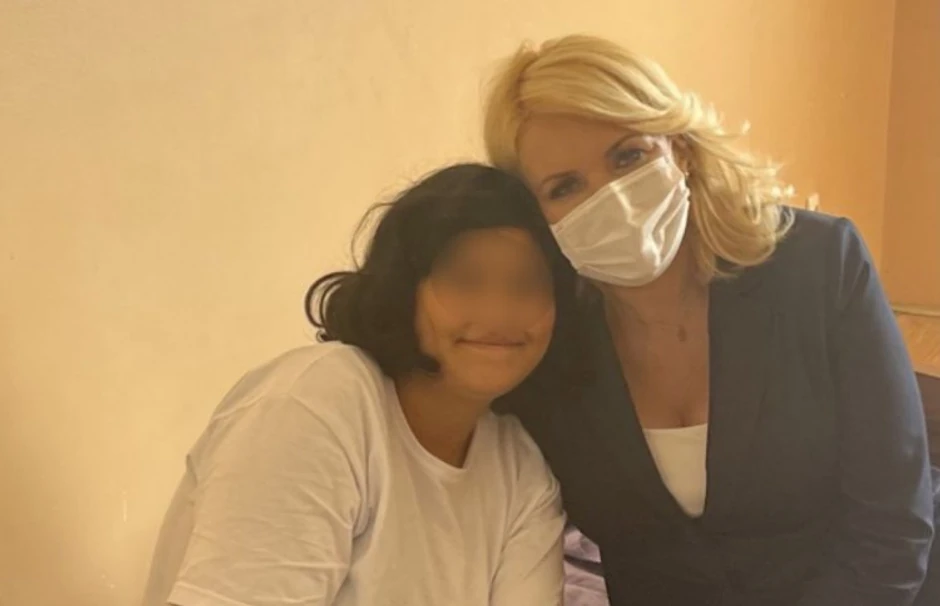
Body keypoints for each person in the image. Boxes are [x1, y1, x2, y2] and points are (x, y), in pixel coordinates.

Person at [482, 34, 940, 606]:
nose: (613, 198)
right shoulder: (547, 340)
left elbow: (892, 529)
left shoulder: (820, 265)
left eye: (628, 156)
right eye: (565, 186)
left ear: (680, 149)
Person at [141, 163, 584, 606]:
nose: (498, 312)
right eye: (464, 280)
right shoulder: (318, 400)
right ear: (404, 289)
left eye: (527, 285)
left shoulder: (521, 468)